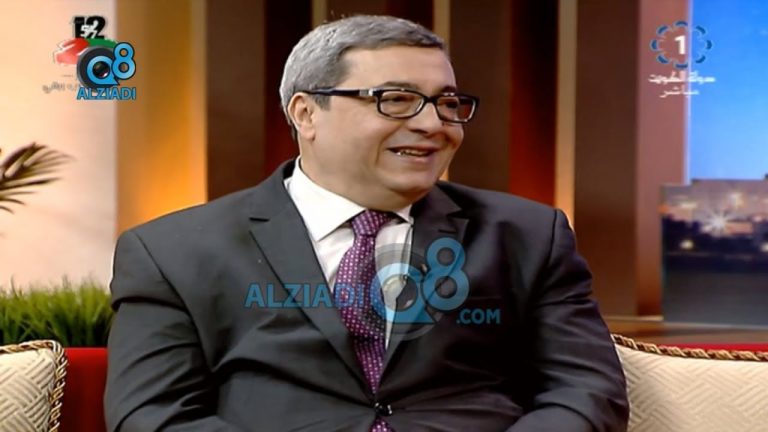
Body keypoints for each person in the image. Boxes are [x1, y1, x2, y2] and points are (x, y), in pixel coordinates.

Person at [104, 15, 628, 432]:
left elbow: (586, 389)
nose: (432, 124)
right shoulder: (172, 251)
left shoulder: (528, 234)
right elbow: (152, 413)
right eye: (396, 100)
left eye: (447, 103)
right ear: (306, 113)